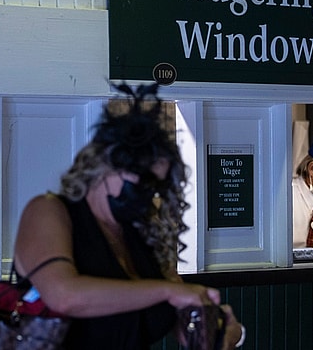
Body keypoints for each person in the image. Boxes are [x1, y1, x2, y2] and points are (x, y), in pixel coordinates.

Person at [13, 83, 245, 349]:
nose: (149, 193)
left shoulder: (143, 233)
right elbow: (64, 296)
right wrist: (168, 291)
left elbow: (183, 327)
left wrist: (219, 328)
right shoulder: (49, 211)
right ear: (106, 165)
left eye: (156, 185)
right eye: (143, 179)